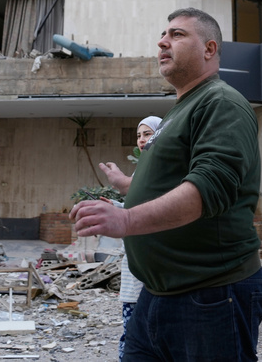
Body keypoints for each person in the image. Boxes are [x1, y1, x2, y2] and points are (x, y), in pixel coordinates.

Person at [71, 8, 262, 362]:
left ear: (209, 49)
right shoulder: (179, 110)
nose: (162, 42)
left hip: (210, 293)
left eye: (176, 35)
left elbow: (210, 187)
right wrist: (130, 186)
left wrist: (126, 221)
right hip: (157, 294)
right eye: (163, 34)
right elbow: (169, 185)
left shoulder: (220, 102)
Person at [100, 115, 161, 362]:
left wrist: (123, 185)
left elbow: (152, 209)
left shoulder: (161, 168)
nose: (142, 140)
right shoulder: (143, 168)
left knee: (147, 336)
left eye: (147, 133)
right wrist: (113, 205)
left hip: (151, 266)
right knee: (133, 333)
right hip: (135, 265)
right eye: (139, 135)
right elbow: (135, 208)